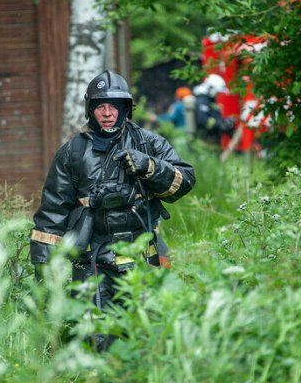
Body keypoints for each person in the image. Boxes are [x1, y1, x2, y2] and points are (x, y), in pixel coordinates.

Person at [29, 70, 195, 349]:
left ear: (124, 109)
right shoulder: (72, 152)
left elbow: (185, 181)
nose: (107, 113)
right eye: (100, 107)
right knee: (98, 340)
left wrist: (150, 167)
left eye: (113, 107)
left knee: (147, 335)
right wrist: (44, 274)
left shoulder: (148, 143)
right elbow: (52, 213)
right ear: (90, 110)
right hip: (92, 260)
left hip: (142, 255)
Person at [193, 73, 235, 144]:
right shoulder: (202, 100)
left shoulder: (209, 100)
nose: (217, 95)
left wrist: (224, 121)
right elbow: (202, 120)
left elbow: (214, 116)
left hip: (211, 139)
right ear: (211, 89)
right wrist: (219, 124)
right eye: (217, 92)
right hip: (205, 140)